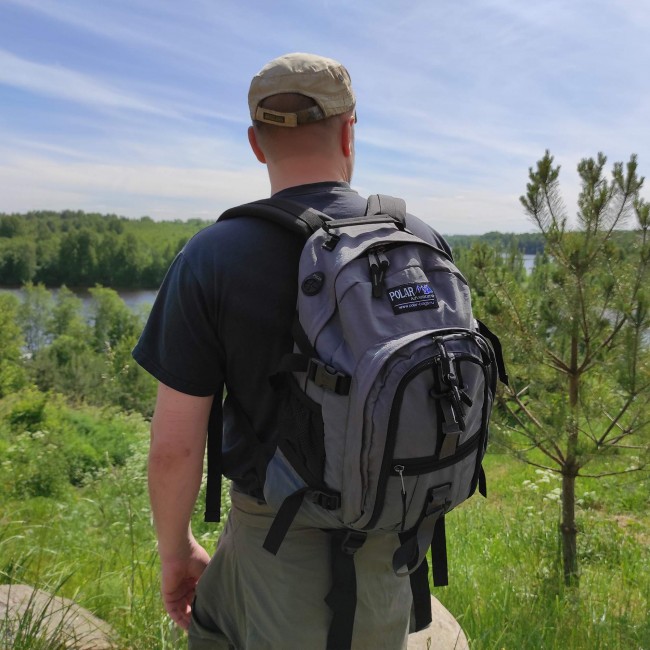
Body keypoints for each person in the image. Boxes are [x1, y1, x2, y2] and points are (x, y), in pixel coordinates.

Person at [133, 52, 452, 650]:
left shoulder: (214, 255)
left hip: (272, 542)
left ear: (256, 143)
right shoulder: (421, 241)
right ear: (350, 130)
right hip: (396, 540)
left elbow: (175, 447)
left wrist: (175, 553)